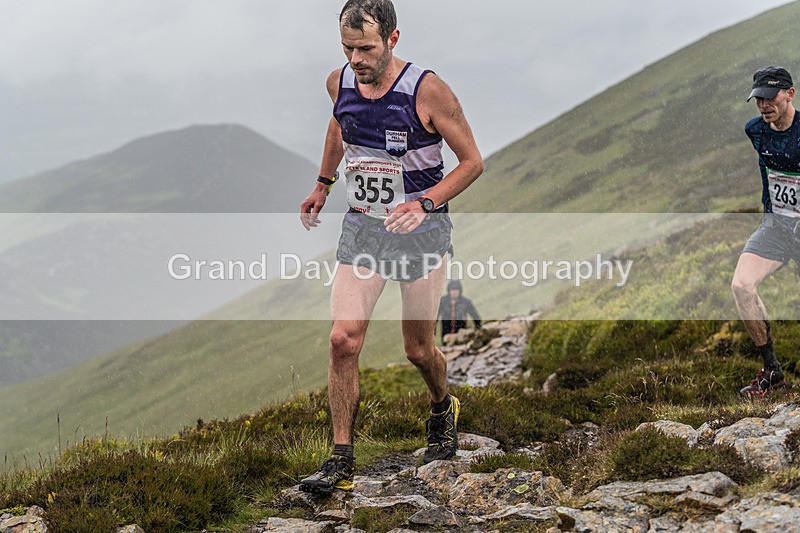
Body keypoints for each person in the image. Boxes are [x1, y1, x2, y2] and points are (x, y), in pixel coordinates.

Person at [298, 0, 483, 495]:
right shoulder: (339, 81)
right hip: (365, 228)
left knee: (418, 350)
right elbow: (340, 126)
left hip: (421, 233)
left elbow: (471, 163)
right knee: (343, 339)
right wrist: (322, 183)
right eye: (347, 48)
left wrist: (424, 203)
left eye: (366, 48)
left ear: (393, 40)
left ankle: (443, 406)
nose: (355, 59)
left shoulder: (428, 90)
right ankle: (340, 459)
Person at [732, 65, 796, 397]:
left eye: (770, 98)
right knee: (742, 286)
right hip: (775, 227)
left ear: (789, 94)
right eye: (758, 99)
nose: (764, 105)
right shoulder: (755, 131)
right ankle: (772, 372)